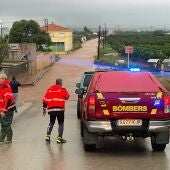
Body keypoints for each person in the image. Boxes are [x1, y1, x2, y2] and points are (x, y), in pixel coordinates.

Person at [43, 78, 70, 143]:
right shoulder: (62, 89)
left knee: (51, 122)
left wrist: (44, 109)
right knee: (61, 123)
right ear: (60, 83)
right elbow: (67, 97)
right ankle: (59, 138)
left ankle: (48, 136)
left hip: (51, 110)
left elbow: (45, 100)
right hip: (60, 110)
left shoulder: (49, 90)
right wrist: (65, 90)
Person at [0, 74, 16, 144]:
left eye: (0, 78)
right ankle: (1, 139)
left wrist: (4, 110)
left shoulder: (6, 86)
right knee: (3, 124)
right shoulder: (2, 86)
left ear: (4, 79)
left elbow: (8, 100)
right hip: (3, 109)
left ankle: (9, 139)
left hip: (8, 109)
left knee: (6, 123)